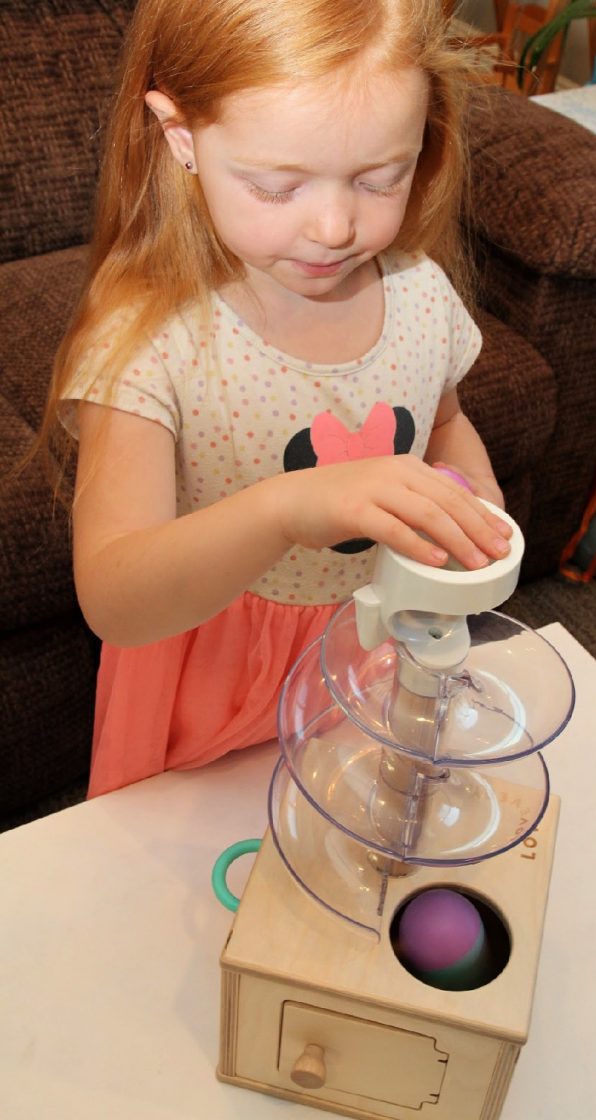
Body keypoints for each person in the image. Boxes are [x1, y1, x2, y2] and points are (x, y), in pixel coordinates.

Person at [46, 0, 512, 798]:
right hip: (205, 680)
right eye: (274, 186)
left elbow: (446, 425)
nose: (333, 227)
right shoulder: (149, 341)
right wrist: (284, 510)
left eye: (379, 178)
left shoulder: (420, 295)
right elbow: (116, 599)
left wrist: (476, 518)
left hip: (372, 651)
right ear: (180, 135)